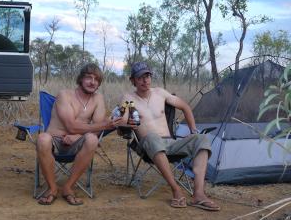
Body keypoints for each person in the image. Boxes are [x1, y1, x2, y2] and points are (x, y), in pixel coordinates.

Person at [119, 61, 220, 211]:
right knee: (153, 138)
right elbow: (122, 120)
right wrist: (127, 124)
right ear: (133, 80)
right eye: (140, 77)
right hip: (148, 145)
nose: (144, 80)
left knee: (202, 139)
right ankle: (176, 190)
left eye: (147, 76)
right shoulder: (128, 98)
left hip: (170, 143)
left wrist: (193, 130)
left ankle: (198, 194)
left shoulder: (160, 93)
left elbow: (185, 107)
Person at [36, 63, 121, 206]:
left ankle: (68, 187)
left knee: (92, 140)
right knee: (43, 138)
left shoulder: (98, 99)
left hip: (77, 143)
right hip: (55, 142)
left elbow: (97, 129)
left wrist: (77, 137)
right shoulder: (65, 95)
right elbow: (71, 125)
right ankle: (52, 188)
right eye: (88, 77)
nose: (92, 82)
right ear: (81, 79)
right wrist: (105, 125)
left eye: (96, 79)